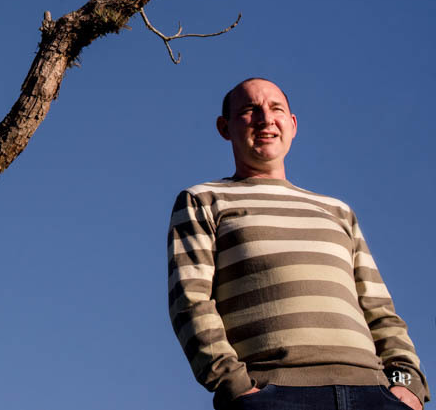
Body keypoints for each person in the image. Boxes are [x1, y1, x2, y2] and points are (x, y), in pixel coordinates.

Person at [168, 78, 427, 409]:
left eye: (276, 109)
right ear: (225, 127)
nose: (265, 118)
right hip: (276, 393)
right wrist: (236, 386)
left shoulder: (337, 210)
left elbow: (380, 311)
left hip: (375, 393)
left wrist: (407, 385)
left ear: (292, 125)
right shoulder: (203, 200)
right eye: (250, 110)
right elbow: (191, 302)